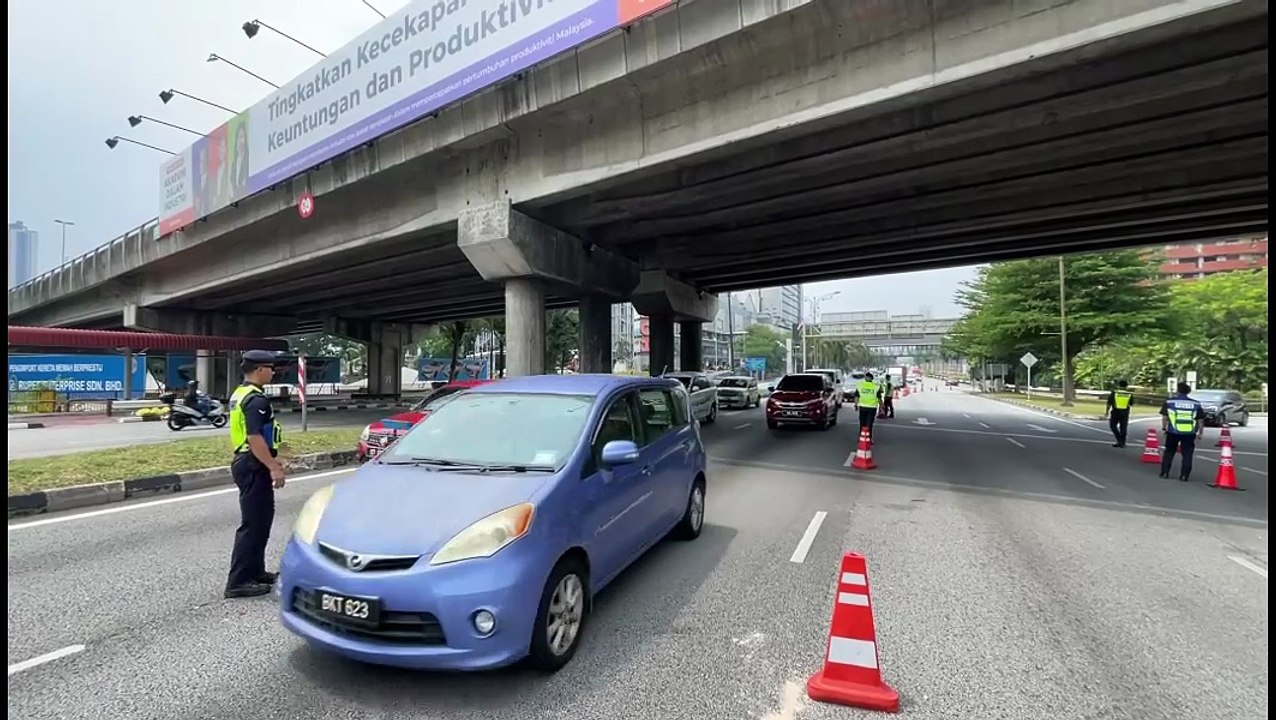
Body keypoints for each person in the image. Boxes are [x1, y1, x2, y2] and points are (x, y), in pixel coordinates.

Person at [225, 350, 287, 599]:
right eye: (271, 368)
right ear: (260, 369)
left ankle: (256, 572)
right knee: (253, 525)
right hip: (253, 463)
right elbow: (254, 437)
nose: (273, 372)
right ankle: (238, 582)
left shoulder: (241, 393)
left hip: (249, 461)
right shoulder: (255, 400)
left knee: (261, 521)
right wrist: (273, 466)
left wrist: (273, 458)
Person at [1159, 381, 1204, 482]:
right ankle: (1184, 475)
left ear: (1178, 390)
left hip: (1173, 431)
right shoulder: (1196, 404)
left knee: (1169, 451)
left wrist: (1164, 428)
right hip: (1189, 432)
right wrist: (1200, 432)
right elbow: (1200, 420)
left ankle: (1165, 472)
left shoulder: (1169, 402)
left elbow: (1165, 417)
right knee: (1187, 453)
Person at [1105, 379, 1134, 448]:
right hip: (1125, 412)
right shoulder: (1129, 394)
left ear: (1119, 385)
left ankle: (1119, 440)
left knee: (1113, 426)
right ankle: (1122, 442)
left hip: (1115, 411)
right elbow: (1131, 403)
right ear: (1126, 386)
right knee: (1123, 427)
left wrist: (1106, 412)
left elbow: (1109, 403)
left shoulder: (1114, 393)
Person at [856, 372, 882, 440]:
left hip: (863, 406)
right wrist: (881, 406)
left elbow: (857, 396)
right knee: (869, 424)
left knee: (862, 423)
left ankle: (861, 437)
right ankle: (868, 438)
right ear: (872, 379)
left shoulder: (860, 385)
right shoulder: (876, 386)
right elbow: (879, 398)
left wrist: (856, 404)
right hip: (871, 407)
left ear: (865, 378)